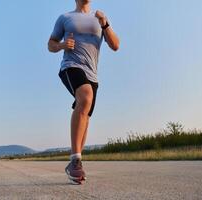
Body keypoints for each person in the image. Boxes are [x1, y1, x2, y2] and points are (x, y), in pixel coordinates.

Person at [48, 0, 119, 184]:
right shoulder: (65, 18)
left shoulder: (100, 18)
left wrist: (105, 24)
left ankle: (76, 163)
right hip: (71, 66)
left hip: (92, 73)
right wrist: (63, 45)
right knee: (86, 96)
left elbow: (115, 45)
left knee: (85, 113)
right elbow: (50, 44)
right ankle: (75, 160)